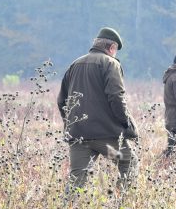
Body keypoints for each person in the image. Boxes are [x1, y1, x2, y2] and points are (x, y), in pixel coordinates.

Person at [57, 27, 138, 194]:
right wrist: (125, 123)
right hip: (106, 138)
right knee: (128, 162)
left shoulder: (75, 64)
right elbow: (116, 97)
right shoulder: (110, 63)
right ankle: (121, 207)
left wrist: (71, 124)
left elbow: (61, 101)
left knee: (76, 179)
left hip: (78, 136)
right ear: (112, 47)